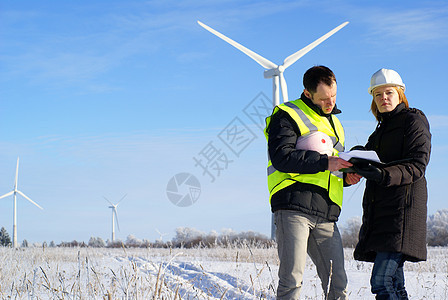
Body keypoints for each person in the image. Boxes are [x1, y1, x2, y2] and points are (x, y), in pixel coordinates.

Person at [264, 65, 361, 299]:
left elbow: (331, 168)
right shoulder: (287, 114)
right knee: (292, 280)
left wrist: (347, 177)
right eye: (324, 99)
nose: (331, 103)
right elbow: (282, 157)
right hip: (293, 206)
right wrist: (326, 162)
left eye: (334, 96)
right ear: (307, 94)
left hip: (326, 211)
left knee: (337, 282)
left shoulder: (336, 125)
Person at [352, 68, 431, 299]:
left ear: (400, 94)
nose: (383, 98)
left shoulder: (413, 121)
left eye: (388, 92)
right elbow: (369, 156)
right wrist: (353, 157)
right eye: (377, 94)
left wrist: (382, 175)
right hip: (382, 213)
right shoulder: (379, 132)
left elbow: (418, 165)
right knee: (395, 283)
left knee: (381, 281)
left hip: (402, 212)